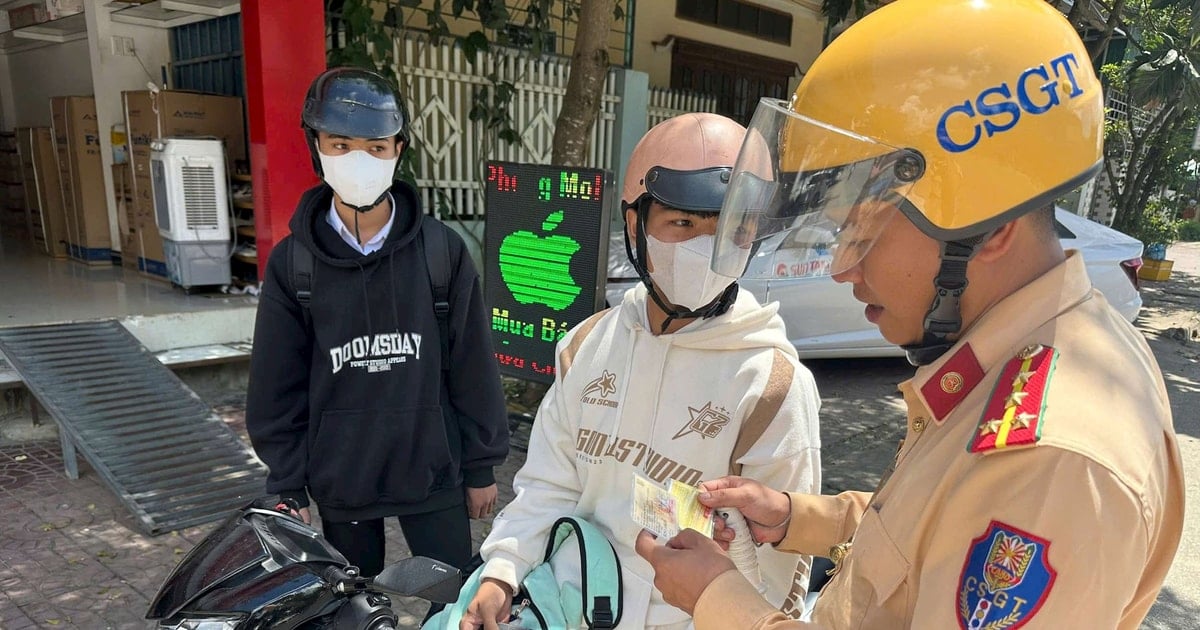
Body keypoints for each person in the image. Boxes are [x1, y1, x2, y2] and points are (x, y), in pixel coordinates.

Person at [635, 1, 1185, 628]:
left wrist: (717, 598)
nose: (843, 267)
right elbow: (937, 530)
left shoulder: (1052, 461)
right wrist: (799, 518)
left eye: (864, 233)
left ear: (991, 227)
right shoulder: (1028, 359)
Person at [458, 113, 823, 629]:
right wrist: (501, 572)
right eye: (683, 224)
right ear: (635, 226)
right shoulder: (586, 345)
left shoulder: (772, 383)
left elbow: (783, 568)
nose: (708, 247)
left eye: (729, 227)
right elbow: (550, 483)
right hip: (569, 607)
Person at [245, 67, 509, 597]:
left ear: (398, 150)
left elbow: (473, 367)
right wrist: (287, 482)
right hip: (344, 483)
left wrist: (481, 466)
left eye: (375, 145)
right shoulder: (295, 264)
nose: (358, 159)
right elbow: (277, 382)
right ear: (315, 147)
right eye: (340, 143)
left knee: (452, 603)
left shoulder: (441, 253)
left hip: (432, 475)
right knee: (350, 609)